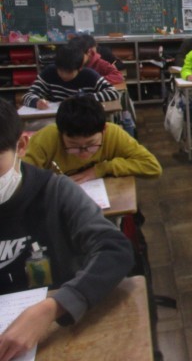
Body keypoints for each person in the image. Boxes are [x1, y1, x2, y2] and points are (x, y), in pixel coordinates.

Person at [0, 98, 134, 361]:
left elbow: (115, 249)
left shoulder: (54, 191)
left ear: (21, 146)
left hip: (56, 328)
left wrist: (55, 306)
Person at [24, 96, 162, 183]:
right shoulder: (45, 139)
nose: (84, 154)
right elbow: (21, 180)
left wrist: (103, 169)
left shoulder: (113, 133)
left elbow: (152, 167)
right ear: (60, 134)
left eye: (91, 144)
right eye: (74, 146)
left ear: (104, 130)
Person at [21, 44, 119, 110]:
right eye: (61, 71)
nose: (64, 75)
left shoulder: (89, 75)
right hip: (55, 117)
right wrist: (36, 102)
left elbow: (113, 92)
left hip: (83, 118)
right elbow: (27, 95)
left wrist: (82, 99)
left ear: (80, 68)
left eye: (69, 72)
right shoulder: (49, 72)